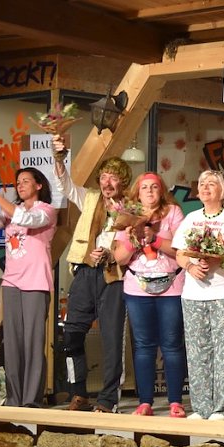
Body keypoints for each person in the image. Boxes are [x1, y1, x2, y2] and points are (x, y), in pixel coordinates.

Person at [52, 135, 130, 413]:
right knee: (71, 334)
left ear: (123, 182)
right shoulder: (90, 198)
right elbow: (65, 185)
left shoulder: (130, 208)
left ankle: (108, 399)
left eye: (113, 178)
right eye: (104, 177)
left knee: (112, 340)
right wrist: (59, 157)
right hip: (84, 273)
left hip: (113, 277)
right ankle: (78, 392)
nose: (107, 183)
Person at [0, 168, 56, 407]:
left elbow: (27, 219)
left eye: (26, 181)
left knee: (32, 342)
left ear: (39, 185)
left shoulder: (46, 210)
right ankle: (13, 398)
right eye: (18, 182)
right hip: (11, 282)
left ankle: (31, 400)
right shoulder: (11, 211)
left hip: (36, 283)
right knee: (12, 342)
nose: (20, 185)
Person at [172, 170, 224, 421]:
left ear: (222, 190)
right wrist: (191, 267)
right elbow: (180, 253)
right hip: (193, 295)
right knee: (197, 352)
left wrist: (219, 260)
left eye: (211, 184)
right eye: (202, 183)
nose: (205, 187)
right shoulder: (191, 218)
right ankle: (201, 408)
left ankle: (222, 408)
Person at [112, 173, 186, 418]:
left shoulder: (173, 213)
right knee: (143, 345)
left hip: (171, 286)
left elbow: (179, 249)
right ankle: (145, 402)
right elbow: (119, 257)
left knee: (172, 345)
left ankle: (175, 401)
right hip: (137, 287)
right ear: (137, 192)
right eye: (145, 187)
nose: (150, 191)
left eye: (155, 187)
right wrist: (135, 236)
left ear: (162, 191)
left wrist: (154, 238)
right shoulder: (127, 216)